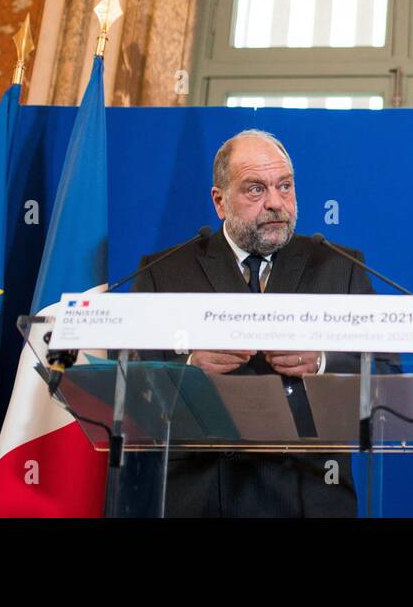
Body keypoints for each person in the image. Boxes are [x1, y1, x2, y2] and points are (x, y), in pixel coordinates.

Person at [130, 128, 379, 517]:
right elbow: (129, 383)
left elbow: (385, 373)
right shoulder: (164, 272)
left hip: (308, 494)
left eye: (285, 186)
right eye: (255, 190)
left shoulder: (339, 267)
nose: (276, 203)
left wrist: (322, 363)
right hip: (200, 495)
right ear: (220, 202)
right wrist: (190, 368)